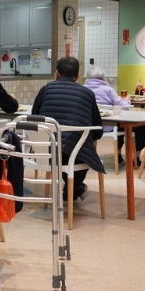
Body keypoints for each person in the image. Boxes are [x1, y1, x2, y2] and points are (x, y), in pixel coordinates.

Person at [32, 57, 104, 200]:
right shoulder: (87, 94)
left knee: (66, 148)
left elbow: (35, 118)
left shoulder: (45, 90)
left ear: (56, 73)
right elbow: (97, 130)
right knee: (81, 148)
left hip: (47, 152)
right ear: (77, 76)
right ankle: (75, 188)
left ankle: (74, 189)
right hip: (75, 155)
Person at [83, 66, 145, 167]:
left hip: (89, 126)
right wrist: (127, 99)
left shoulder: (83, 89)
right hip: (108, 127)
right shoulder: (108, 90)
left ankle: (112, 156)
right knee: (126, 124)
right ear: (103, 77)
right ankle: (133, 157)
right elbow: (122, 106)